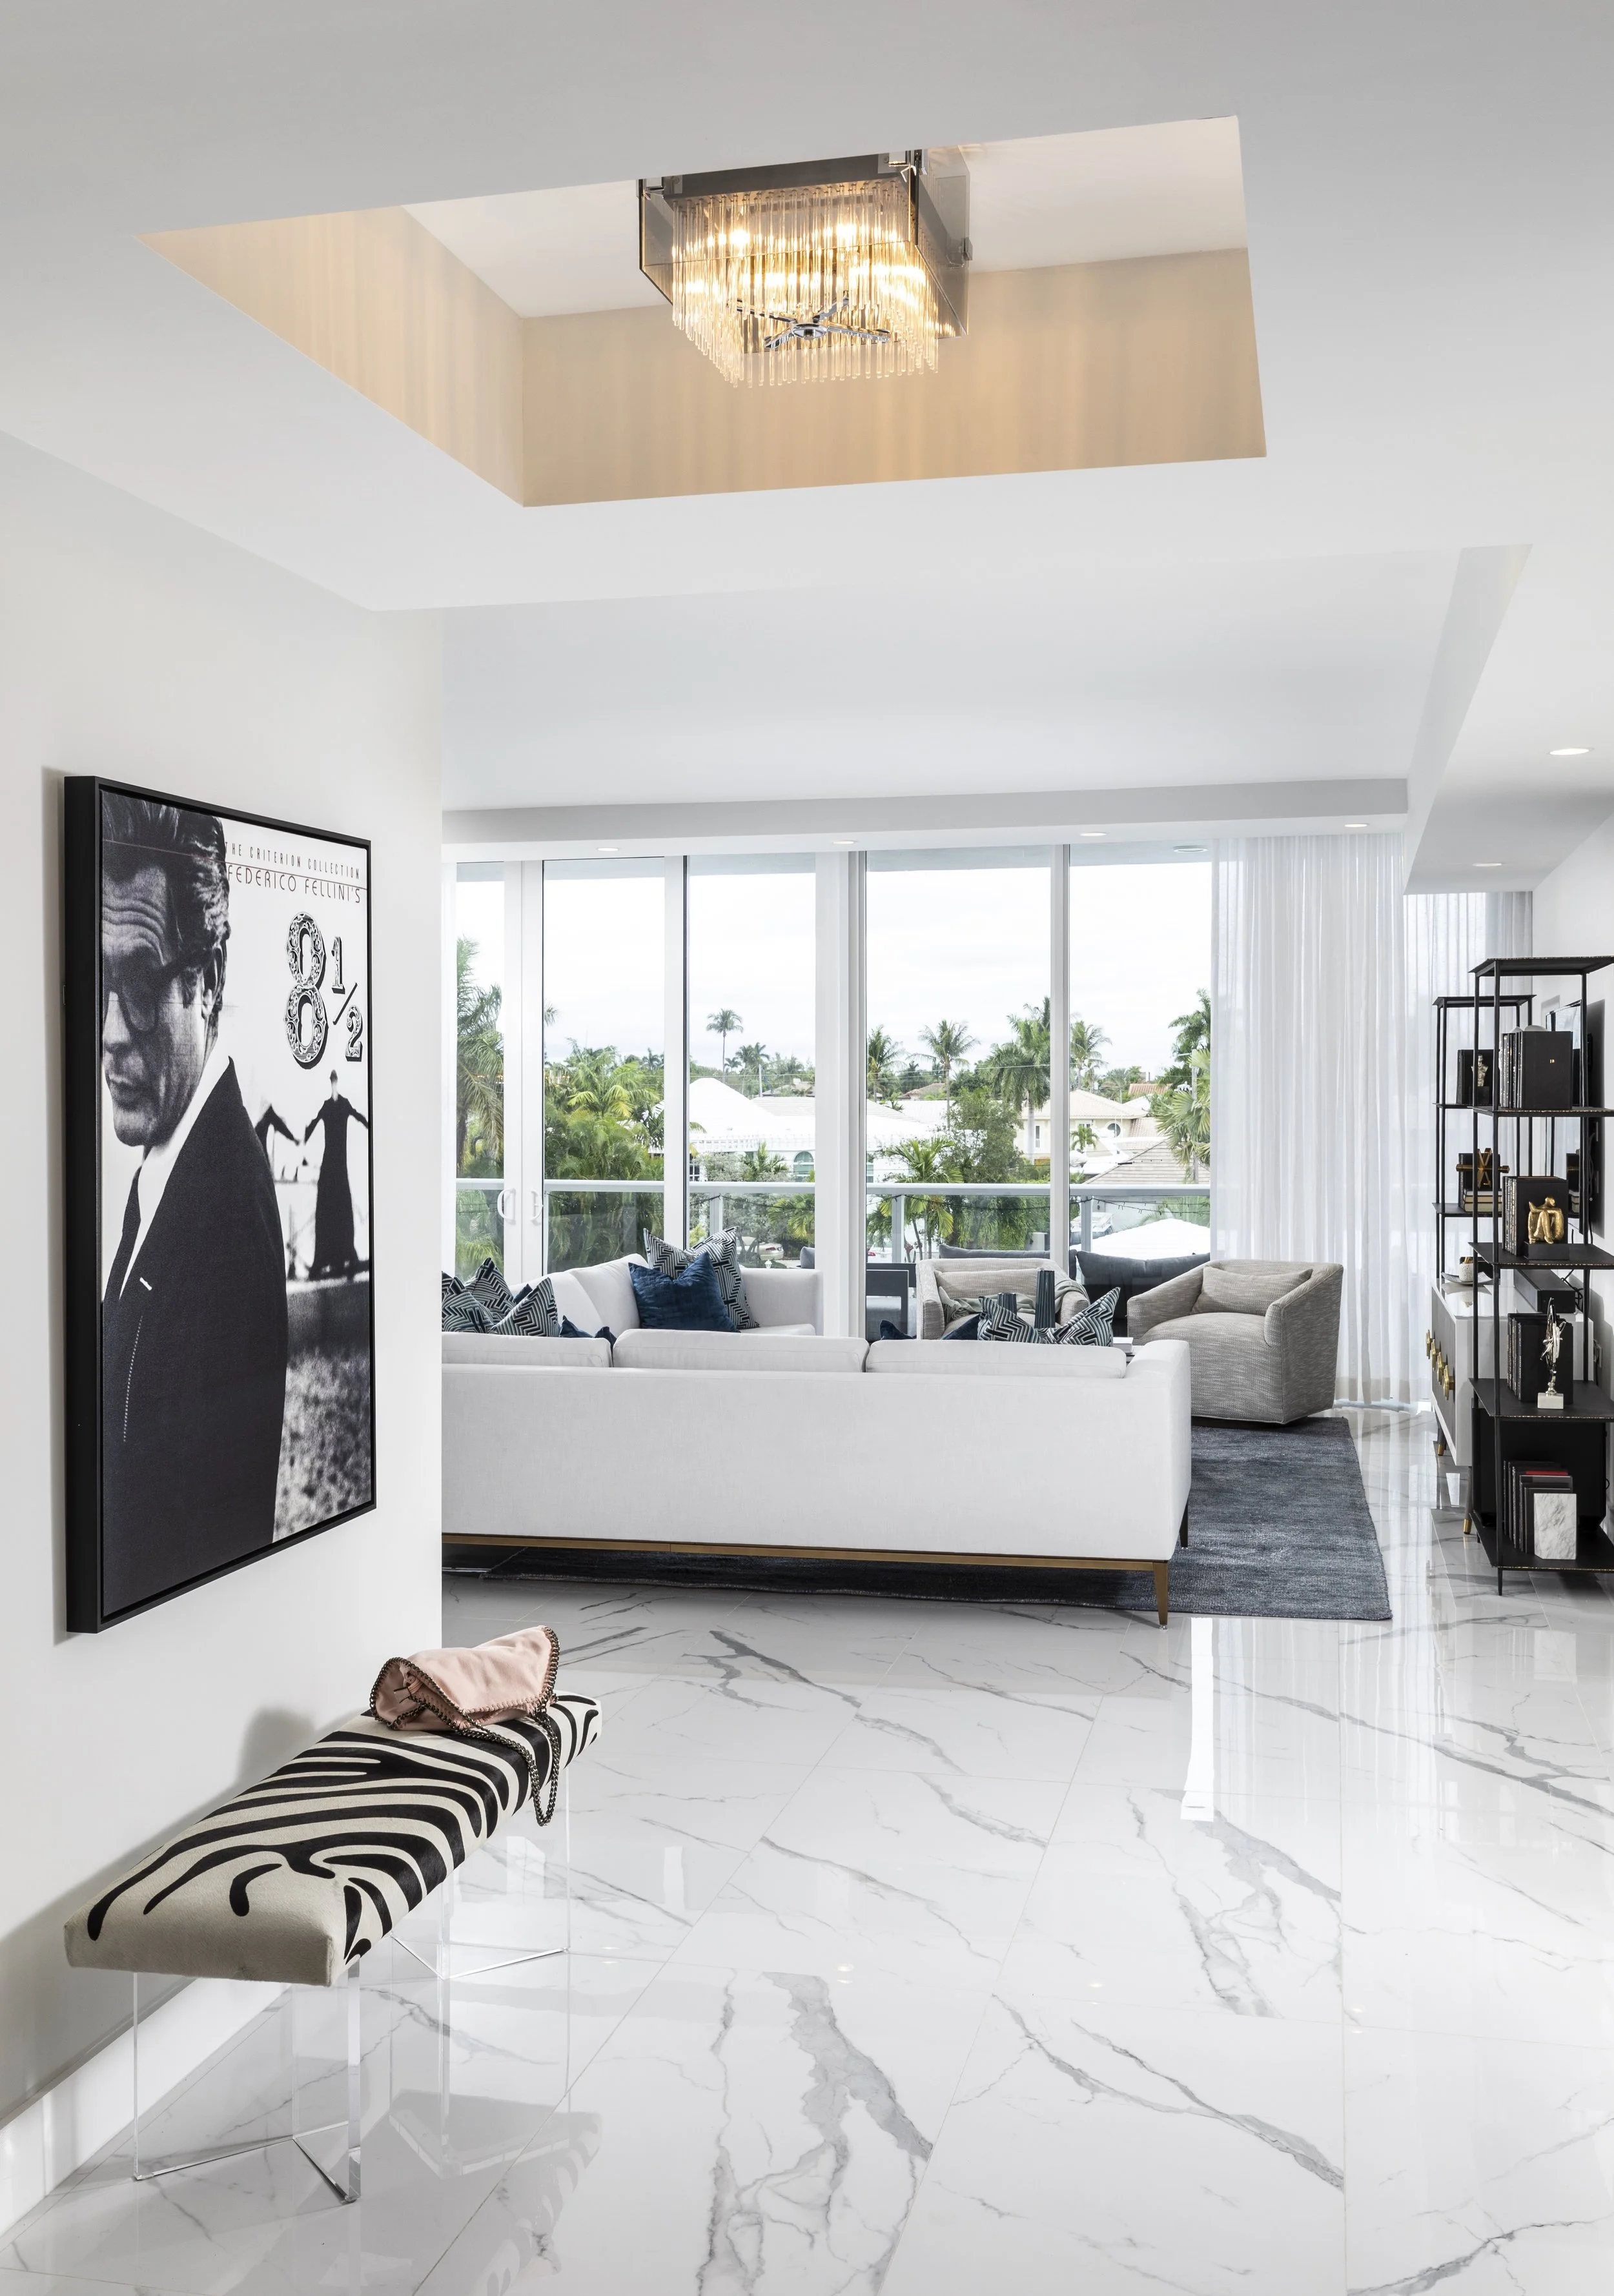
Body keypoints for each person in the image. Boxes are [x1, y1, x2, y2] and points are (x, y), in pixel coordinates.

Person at [99, 794, 287, 1614]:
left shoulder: (224, 1217)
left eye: (141, 983)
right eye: (100, 981)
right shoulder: (171, 1169)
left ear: (207, 983)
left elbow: (207, 1542)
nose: (111, 1031)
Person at [303, 1070, 369, 1278]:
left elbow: (360, 1118)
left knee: (339, 1208)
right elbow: (311, 1127)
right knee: (329, 1208)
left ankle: (343, 1257)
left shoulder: (343, 1105)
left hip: (339, 1165)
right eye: (332, 1081)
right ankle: (328, 1259)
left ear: (336, 1082)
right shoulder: (329, 1106)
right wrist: (300, 1142)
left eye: (334, 1081)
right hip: (331, 1165)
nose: (333, 1084)